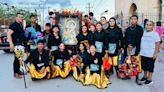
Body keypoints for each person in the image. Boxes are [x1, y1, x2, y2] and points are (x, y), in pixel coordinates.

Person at [124, 15, 143, 84]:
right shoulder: (128, 29)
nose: (133, 20)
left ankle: (137, 78)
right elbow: (125, 38)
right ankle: (128, 75)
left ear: (137, 20)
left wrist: (132, 45)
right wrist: (127, 45)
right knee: (128, 62)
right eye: (132, 19)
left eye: (135, 19)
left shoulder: (139, 28)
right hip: (128, 48)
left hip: (135, 48)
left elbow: (139, 39)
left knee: (135, 63)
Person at [7, 13, 25, 79]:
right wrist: (11, 44)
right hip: (16, 44)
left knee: (19, 58)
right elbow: (8, 34)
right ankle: (16, 73)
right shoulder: (13, 25)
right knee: (16, 59)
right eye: (19, 17)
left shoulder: (20, 25)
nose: (21, 18)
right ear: (16, 17)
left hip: (20, 44)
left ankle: (18, 70)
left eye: (22, 17)